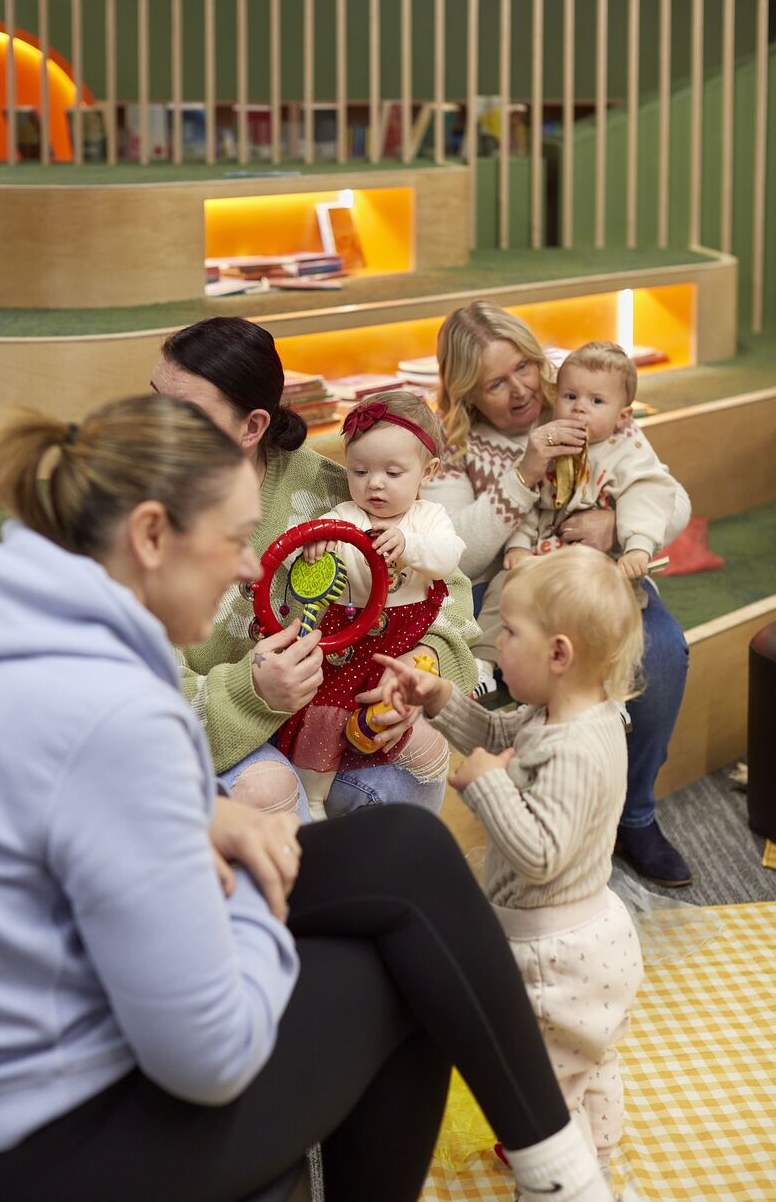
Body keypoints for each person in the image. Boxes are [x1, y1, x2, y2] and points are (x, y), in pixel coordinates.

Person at [0, 394, 624, 1202]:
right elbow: (210, 1055)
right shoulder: (121, 715)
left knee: (406, 854)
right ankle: (565, 1178)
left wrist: (199, 813)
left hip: (16, 1043)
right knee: (409, 966)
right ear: (152, 534)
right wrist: (253, 905)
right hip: (38, 1137)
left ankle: (557, 1171)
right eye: (236, 539)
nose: (249, 567)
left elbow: (32, 789)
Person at [376, 546, 646, 1173]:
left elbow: (540, 855)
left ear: (558, 654)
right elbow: (503, 739)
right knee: (589, 1056)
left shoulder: (575, 749)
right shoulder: (569, 711)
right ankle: (602, 1141)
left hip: (555, 955)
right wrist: (441, 699)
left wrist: (484, 786)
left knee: (543, 1084)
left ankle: (563, 1173)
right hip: (589, 934)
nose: (496, 643)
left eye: (509, 632)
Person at [150, 316, 479, 821]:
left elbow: (448, 592)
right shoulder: (135, 512)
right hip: (210, 722)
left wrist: (419, 668)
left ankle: (371, 897)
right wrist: (252, 693)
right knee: (268, 787)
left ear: (253, 426)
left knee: (422, 752)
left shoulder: (336, 490)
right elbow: (139, 691)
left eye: (186, 413)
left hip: (330, 711)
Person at [425, 301, 692, 887]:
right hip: (504, 587)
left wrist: (614, 525)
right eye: (496, 383)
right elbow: (457, 555)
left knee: (665, 652)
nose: (521, 389)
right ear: (467, 391)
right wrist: (522, 477)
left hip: (595, 575)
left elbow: (670, 497)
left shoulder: (585, 399)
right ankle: (540, 804)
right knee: (516, 661)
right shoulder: (455, 445)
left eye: (524, 366)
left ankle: (635, 814)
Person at [275, 391, 465, 820]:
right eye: (360, 471)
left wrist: (410, 545)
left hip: (405, 636)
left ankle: (381, 751)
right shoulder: (346, 515)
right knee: (324, 716)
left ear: (428, 472)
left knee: (395, 709)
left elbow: (448, 556)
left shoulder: (428, 518)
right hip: (350, 638)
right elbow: (293, 550)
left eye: (392, 472)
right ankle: (315, 796)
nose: (374, 483)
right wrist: (314, 545)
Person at [504, 341, 679, 582]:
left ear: (623, 417)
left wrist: (638, 547)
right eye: (570, 396)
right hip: (542, 561)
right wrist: (518, 545)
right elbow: (526, 498)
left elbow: (647, 496)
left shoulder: (628, 452)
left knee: (607, 609)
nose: (579, 408)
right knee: (504, 598)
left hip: (603, 567)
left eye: (596, 401)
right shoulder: (545, 445)